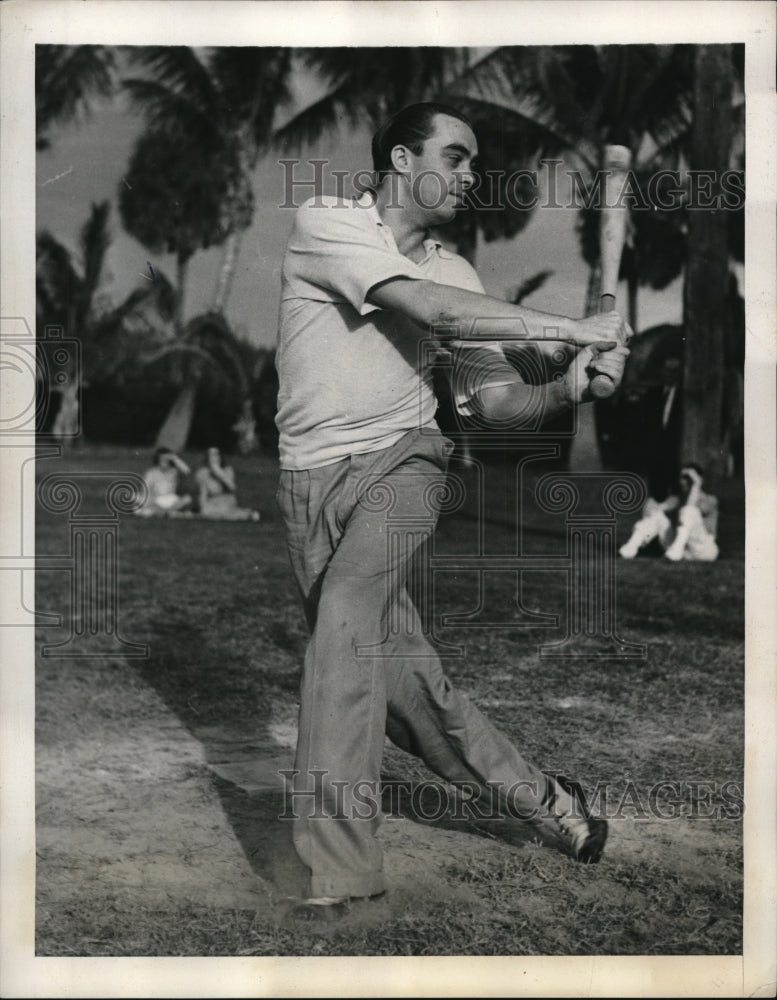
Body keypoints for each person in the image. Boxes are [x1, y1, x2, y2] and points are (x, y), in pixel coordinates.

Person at [274, 102, 631, 916]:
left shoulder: (460, 270)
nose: (473, 176)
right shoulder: (328, 222)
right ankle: (546, 800)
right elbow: (428, 310)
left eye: (474, 161)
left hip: (408, 465)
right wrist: (577, 335)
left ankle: (339, 873)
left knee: (344, 624)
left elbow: (491, 406)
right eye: (458, 156)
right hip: (307, 481)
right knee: (406, 696)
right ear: (401, 158)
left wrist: (573, 381)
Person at [618, 463, 719, 562]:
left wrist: (696, 484)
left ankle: (676, 551)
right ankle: (630, 548)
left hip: (703, 550)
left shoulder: (710, 500)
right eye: (682, 478)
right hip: (681, 550)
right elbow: (654, 511)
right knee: (658, 516)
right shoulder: (677, 499)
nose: (683, 482)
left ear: (699, 480)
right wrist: (652, 506)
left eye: (688, 478)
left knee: (689, 511)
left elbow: (690, 506)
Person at [194, 447, 260, 521]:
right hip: (212, 502)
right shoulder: (202, 473)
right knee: (208, 512)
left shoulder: (228, 470)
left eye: (217, 454)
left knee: (222, 510)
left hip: (226, 500)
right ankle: (244, 514)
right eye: (211, 455)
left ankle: (245, 514)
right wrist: (203, 509)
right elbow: (202, 495)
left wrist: (218, 471)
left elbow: (232, 487)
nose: (214, 457)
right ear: (207, 458)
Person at [135, 447, 192, 517]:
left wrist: (174, 458)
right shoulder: (151, 472)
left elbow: (187, 471)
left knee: (188, 499)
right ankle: (167, 512)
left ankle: (157, 512)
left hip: (171, 500)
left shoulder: (174, 471)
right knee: (135, 497)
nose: (164, 462)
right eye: (162, 459)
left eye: (166, 460)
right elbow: (145, 490)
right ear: (158, 460)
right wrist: (152, 499)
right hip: (155, 500)